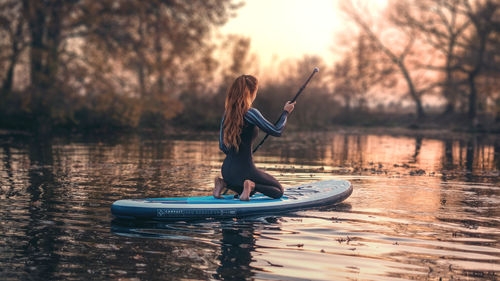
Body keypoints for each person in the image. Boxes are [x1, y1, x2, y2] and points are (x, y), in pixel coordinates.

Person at [214, 74, 295, 201]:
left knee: (247, 192)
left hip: (227, 171)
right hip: (244, 170)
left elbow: (222, 146)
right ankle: (251, 185)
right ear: (251, 92)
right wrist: (286, 112)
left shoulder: (227, 114)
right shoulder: (250, 113)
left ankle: (222, 183)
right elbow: (277, 130)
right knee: (278, 191)